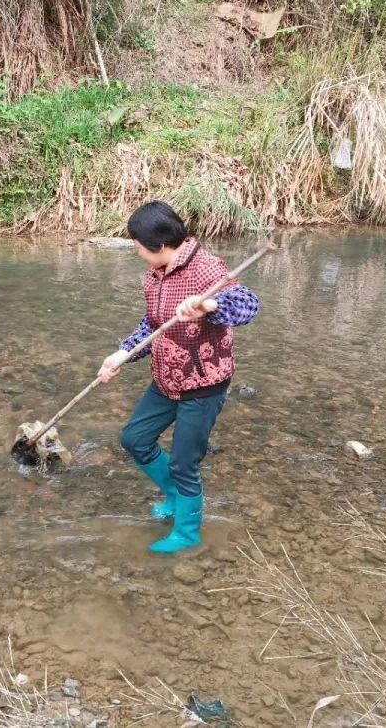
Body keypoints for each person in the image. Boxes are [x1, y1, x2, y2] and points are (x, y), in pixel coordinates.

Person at [98, 201, 260, 554]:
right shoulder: (154, 276)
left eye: (136, 244)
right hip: (166, 378)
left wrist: (210, 306)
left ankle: (187, 533)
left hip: (203, 385)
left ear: (156, 245)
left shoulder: (205, 269)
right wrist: (121, 354)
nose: (136, 250)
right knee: (135, 439)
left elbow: (248, 304)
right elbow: (151, 326)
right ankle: (173, 495)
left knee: (184, 462)